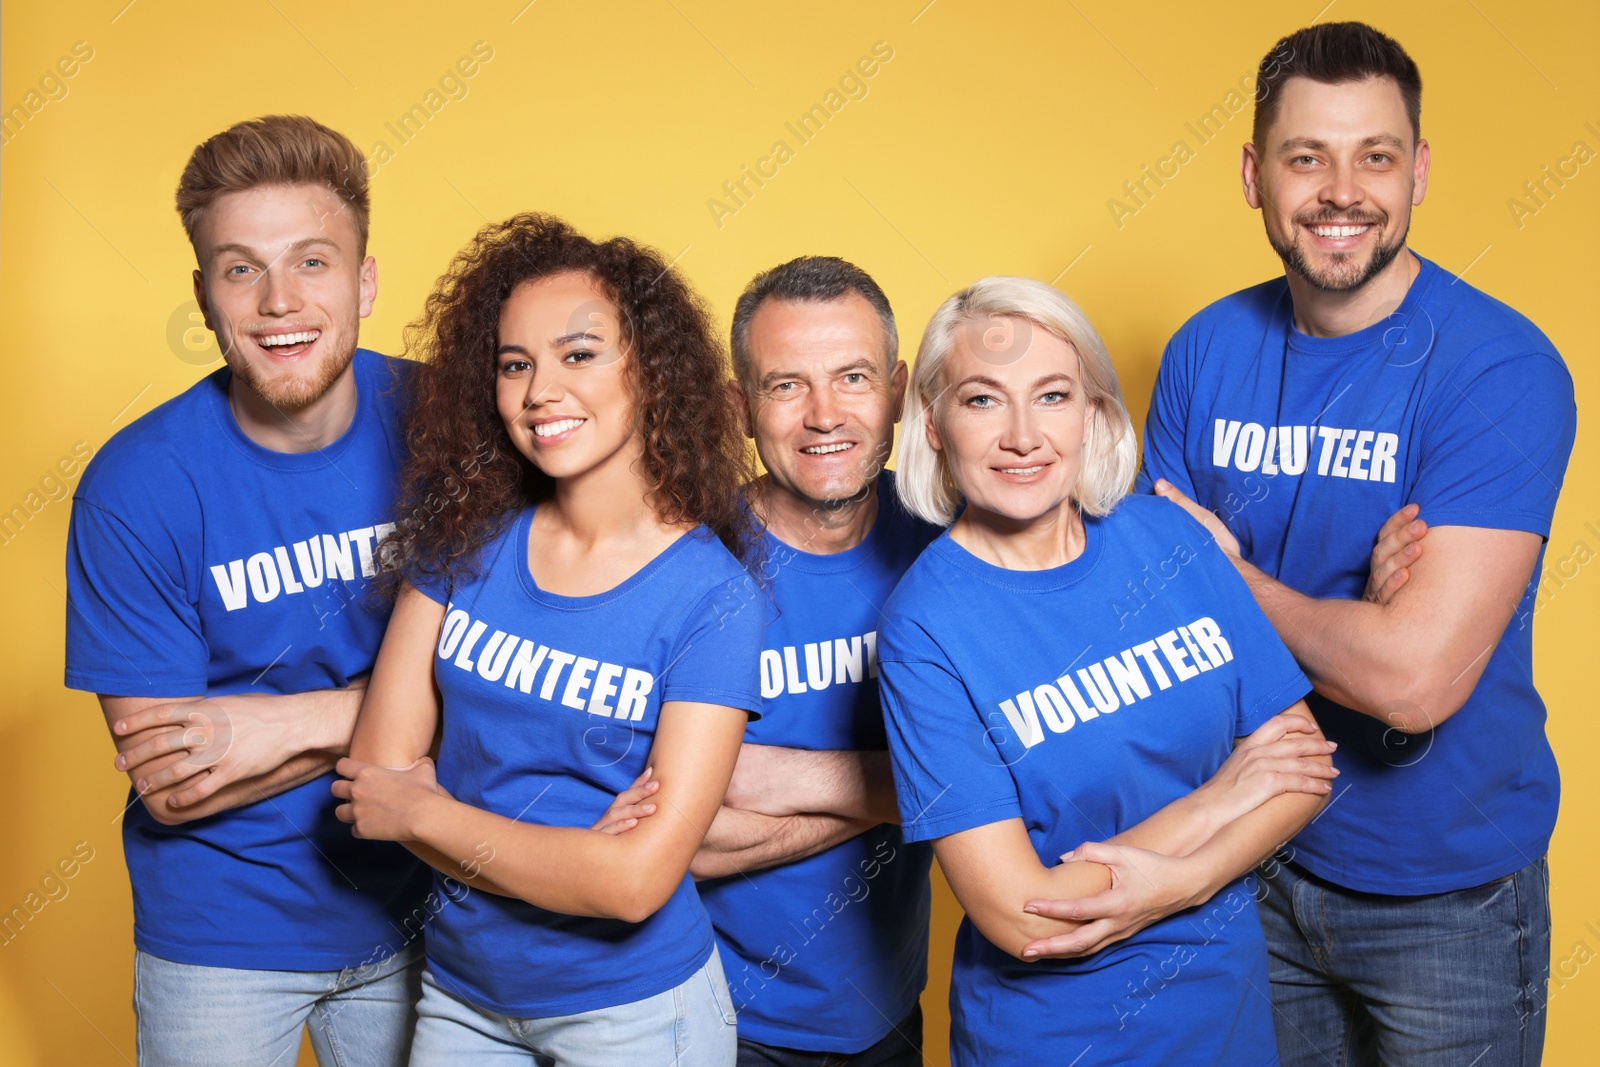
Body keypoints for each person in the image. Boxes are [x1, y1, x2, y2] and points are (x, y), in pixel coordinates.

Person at [1137, 22, 1577, 1066]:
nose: (1342, 190)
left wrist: (1227, 575)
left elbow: (1414, 682)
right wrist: (1356, 617)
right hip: (1250, 855)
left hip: (1445, 895)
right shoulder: (1205, 350)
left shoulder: (1495, 368)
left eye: (1374, 155)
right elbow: (1149, 627)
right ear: (1254, 175)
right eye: (1306, 157)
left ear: (1417, 170)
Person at [331, 214, 762, 1065]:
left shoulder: (714, 597)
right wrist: (569, 858)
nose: (540, 392)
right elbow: (375, 793)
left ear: (650, 369)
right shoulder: (462, 540)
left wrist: (434, 810)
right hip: (462, 999)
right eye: (515, 364)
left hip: (637, 1014)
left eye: (579, 354)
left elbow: (636, 884)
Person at [879, 276, 1340, 1066]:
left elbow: (1304, 767)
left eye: (1053, 395)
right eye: (984, 400)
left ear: (1091, 412)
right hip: (1055, 1040)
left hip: (1227, 1023)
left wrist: (1177, 881)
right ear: (933, 422)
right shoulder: (925, 626)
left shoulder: (1168, 537)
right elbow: (1024, 914)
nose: (1024, 434)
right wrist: (1223, 799)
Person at [63, 115, 430, 1065]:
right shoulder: (137, 485)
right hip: (218, 938)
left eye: (313, 261)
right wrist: (401, 715)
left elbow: (522, 693)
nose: (278, 302)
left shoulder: (450, 428)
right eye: (241, 268)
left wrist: (284, 722)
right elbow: (176, 786)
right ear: (203, 293)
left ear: (365, 279)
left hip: (430, 908)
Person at [692, 256, 935, 1065]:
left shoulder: (951, 545)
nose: (824, 415)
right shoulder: (682, 567)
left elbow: (1025, 765)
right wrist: (911, 783)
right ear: (741, 406)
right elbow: (674, 844)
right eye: (786, 384)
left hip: (892, 1011)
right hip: (711, 1020)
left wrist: (763, 777)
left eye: (853, 377)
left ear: (898, 390)